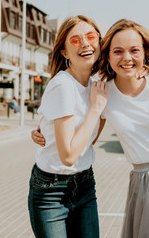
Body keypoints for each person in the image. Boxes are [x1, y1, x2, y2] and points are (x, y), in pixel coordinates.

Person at [32, 19, 149, 238]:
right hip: (144, 187)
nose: (127, 58)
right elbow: (86, 135)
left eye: (134, 50)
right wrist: (45, 132)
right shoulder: (103, 92)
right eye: (118, 51)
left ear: (143, 53)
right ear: (107, 56)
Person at [28, 15, 108, 238]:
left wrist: (45, 129)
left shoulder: (96, 86)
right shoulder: (63, 86)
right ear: (64, 52)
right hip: (50, 191)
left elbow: (88, 140)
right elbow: (68, 156)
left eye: (91, 36)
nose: (85, 43)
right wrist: (96, 109)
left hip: (84, 183)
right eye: (75, 40)